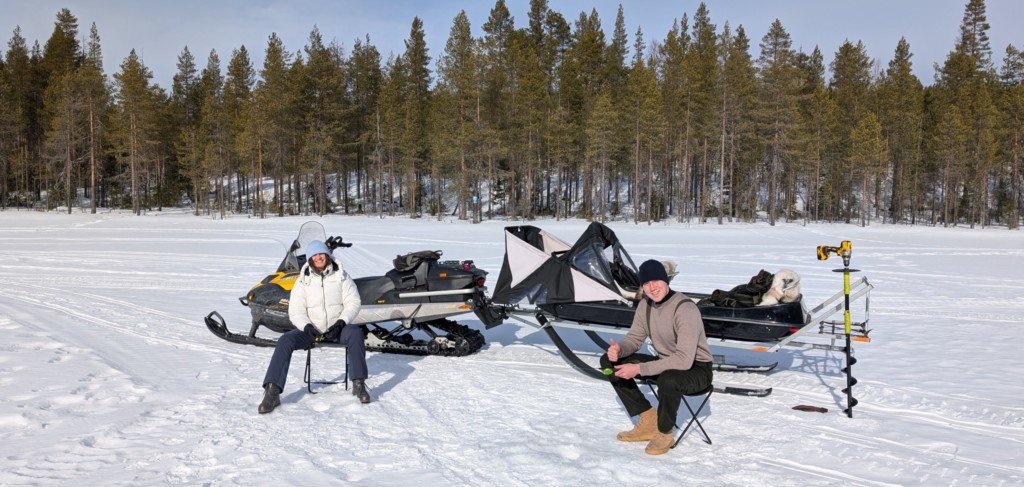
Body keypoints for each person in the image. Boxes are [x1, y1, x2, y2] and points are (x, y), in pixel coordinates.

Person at [600, 259, 714, 455]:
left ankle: (664, 432)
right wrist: (620, 350)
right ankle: (648, 419)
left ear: (666, 281)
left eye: (656, 281)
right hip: (666, 363)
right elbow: (634, 339)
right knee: (608, 361)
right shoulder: (645, 305)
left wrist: (639, 369)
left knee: (669, 379)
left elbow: (684, 359)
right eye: (646, 283)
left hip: (697, 369)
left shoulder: (685, 309)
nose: (652, 288)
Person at [258, 240, 367, 413]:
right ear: (309, 259)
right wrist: (307, 326)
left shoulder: (342, 276)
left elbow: (354, 302)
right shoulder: (302, 281)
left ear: (327, 255)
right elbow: (295, 310)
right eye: (314, 255)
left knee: (355, 333)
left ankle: (359, 383)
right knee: (285, 340)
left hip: (338, 330)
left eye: (321, 254)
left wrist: (341, 323)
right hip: (311, 331)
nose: (318, 257)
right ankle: (272, 392)